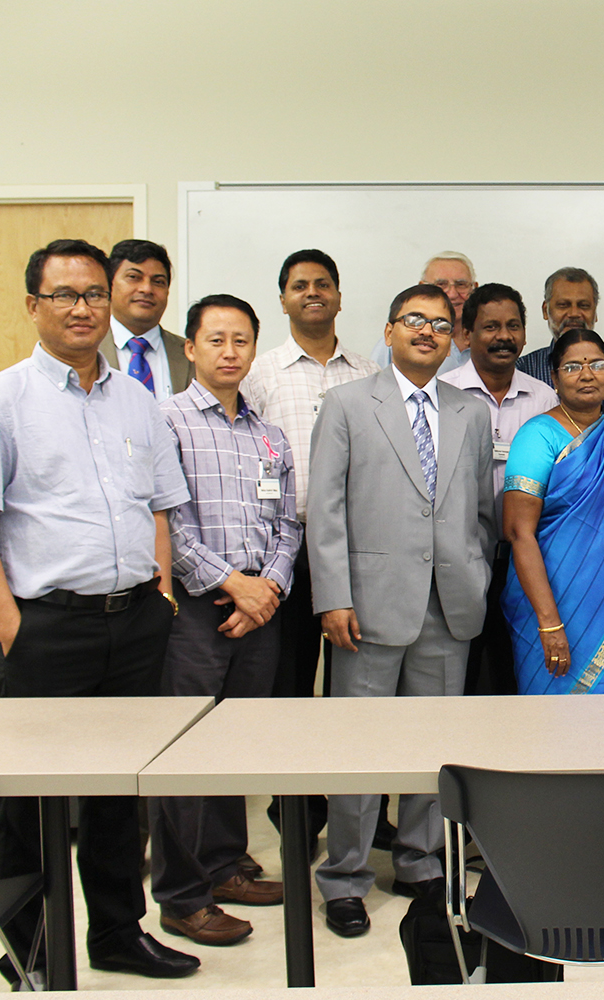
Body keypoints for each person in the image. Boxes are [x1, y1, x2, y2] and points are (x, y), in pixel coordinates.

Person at [0, 239, 198, 981]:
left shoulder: (136, 399)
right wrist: (15, 631)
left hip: (134, 624)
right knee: (29, 804)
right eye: (65, 295)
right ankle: (27, 946)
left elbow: (159, 505)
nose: (82, 307)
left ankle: (118, 934)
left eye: (93, 293)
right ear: (34, 306)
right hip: (46, 627)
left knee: (122, 795)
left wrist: (158, 593)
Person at [306, 282, 494, 938]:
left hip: (450, 605)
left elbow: (480, 511)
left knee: (431, 745)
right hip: (366, 609)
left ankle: (419, 858)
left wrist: (476, 571)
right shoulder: (347, 405)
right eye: (414, 320)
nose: (427, 332)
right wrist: (332, 596)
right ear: (388, 331)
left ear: (454, 339)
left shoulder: (469, 412)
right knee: (359, 749)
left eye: (440, 325)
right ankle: (346, 875)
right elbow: (324, 510)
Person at [151, 294, 297, 946]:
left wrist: (268, 588)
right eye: (217, 340)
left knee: (237, 745)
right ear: (191, 348)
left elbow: (287, 524)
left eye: (241, 340)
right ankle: (183, 895)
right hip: (195, 611)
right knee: (184, 754)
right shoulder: (166, 421)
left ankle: (225, 866)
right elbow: (168, 522)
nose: (230, 352)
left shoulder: (270, 434)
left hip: (259, 613)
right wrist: (234, 585)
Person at [242, 250, 378, 853]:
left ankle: (366, 811)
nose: (313, 293)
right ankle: (296, 814)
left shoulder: (371, 374)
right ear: (283, 299)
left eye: (324, 284)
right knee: (290, 691)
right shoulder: (259, 374)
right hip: (286, 552)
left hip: (362, 552)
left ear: (340, 298)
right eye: (300, 286)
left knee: (360, 692)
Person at [500, 329, 604, 694]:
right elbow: (519, 532)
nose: (587, 375)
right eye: (572, 366)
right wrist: (549, 622)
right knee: (554, 721)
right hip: (552, 604)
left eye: (597, 364)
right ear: (553, 377)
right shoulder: (536, 436)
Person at [441, 283, 557, 694]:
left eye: (512, 326)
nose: (503, 336)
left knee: (516, 664)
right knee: (464, 667)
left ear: (525, 335)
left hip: (525, 554)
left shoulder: (544, 398)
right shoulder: (443, 392)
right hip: (460, 553)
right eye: (490, 327)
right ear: (466, 334)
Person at [517, 266, 604, 434]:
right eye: (563, 305)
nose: (574, 313)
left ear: (595, 311)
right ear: (546, 310)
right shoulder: (524, 369)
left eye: (584, 305)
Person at [98, 239, 192, 399]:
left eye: (158, 282)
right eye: (134, 277)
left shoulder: (191, 355)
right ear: (109, 285)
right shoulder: (86, 349)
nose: (146, 289)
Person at [369, 251, 476, 374]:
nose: (452, 294)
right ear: (422, 287)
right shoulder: (396, 339)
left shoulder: (486, 338)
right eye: (441, 284)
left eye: (461, 285)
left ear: (474, 288)